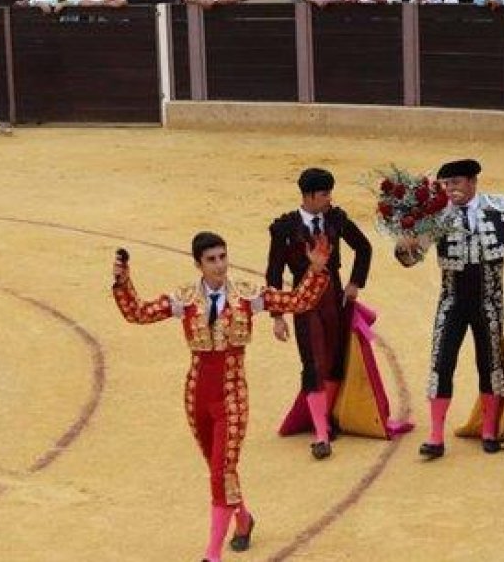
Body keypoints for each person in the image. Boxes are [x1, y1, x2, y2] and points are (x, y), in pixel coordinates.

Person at [113, 232, 331, 562]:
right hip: (196, 396)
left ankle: (212, 555)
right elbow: (138, 313)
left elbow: (298, 301)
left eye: (223, 257)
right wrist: (123, 282)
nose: (219, 265)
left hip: (231, 396)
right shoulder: (185, 299)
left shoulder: (247, 295)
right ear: (198, 264)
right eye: (211, 260)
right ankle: (242, 519)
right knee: (219, 470)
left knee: (221, 472)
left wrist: (315, 270)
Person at [396, 159, 504, 459]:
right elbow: (412, 259)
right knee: (441, 363)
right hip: (452, 302)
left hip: (489, 302)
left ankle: (488, 430)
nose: (451, 189)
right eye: (446, 184)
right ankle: (436, 437)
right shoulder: (436, 217)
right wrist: (404, 245)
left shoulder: (501, 209)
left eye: (457, 182)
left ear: (473, 182)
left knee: (490, 365)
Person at [267, 168, 372, 459]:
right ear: (309, 196)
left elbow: (364, 248)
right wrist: (277, 315)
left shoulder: (336, 219)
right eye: (325, 194)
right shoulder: (285, 228)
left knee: (335, 357)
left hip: (334, 296)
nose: (329, 199)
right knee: (312, 361)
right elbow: (274, 271)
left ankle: (326, 417)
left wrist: (355, 282)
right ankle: (321, 433)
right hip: (304, 302)